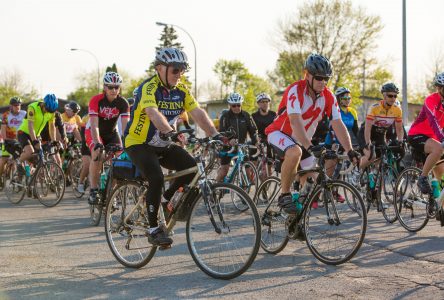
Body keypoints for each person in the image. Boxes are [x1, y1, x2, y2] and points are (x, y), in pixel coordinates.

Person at [124, 47, 219, 247]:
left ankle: (165, 201)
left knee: (190, 168)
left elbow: (198, 113)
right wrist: (171, 132)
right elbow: (153, 113)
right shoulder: (148, 88)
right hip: (138, 143)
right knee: (156, 177)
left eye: (182, 70)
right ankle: (153, 229)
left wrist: (216, 134)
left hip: (163, 143)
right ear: (160, 68)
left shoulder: (181, 91)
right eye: (175, 70)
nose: (179, 75)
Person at [264, 53, 359, 214]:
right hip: (279, 133)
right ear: (307, 75)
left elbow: (337, 123)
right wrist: (310, 146)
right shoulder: (295, 90)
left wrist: (349, 149)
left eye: (326, 79)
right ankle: (284, 195)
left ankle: (297, 219)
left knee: (312, 183)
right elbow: (295, 121)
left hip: (302, 141)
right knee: (295, 152)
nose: (323, 82)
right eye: (319, 78)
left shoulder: (328, 97)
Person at [86, 71, 130, 205]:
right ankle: (93, 189)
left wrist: (128, 143)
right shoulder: (96, 100)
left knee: (119, 158)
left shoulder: (123, 103)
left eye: (116, 87)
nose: (113, 90)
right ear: (105, 87)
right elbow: (94, 125)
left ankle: (112, 191)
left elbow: (125, 127)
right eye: (110, 87)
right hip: (94, 131)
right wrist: (97, 142)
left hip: (111, 133)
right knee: (97, 153)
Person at [408, 72, 444, 194]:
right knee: (439, 149)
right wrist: (442, 138)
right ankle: (422, 178)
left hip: (434, 139)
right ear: (439, 88)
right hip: (417, 135)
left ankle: (437, 209)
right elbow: (433, 120)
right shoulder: (431, 99)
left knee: (441, 175)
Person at [358, 82, 404, 171]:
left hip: (381, 134)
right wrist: (368, 143)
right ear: (384, 96)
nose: (393, 98)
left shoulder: (397, 110)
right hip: (367, 132)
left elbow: (399, 128)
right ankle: (357, 173)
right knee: (371, 156)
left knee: (381, 159)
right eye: (390, 96)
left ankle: (377, 181)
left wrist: (400, 141)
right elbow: (367, 128)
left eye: (395, 96)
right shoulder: (374, 107)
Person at [216, 92, 258, 182]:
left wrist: (256, 141)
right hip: (227, 147)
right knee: (223, 171)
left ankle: (245, 192)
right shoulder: (225, 116)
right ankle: (214, 189)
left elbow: (253, 131)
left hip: (242, 146)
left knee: (248, 172)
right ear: (230, 105)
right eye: (233, 106)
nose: (236, 108)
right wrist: (229, 140)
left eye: (238, 105)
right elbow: (222, 131)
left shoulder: (246, 115)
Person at [17, 94, 59, 167]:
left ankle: (31, 175)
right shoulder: (32, 107)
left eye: (50, 111)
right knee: (30, 152)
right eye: (47, 109)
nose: (47, 112)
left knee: (39, 158)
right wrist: (34, 140)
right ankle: (18, 162)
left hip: (37, 135)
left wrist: (54, 140)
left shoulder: (51, 112)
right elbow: (30, 125)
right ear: (43, 104)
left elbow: (52, 127)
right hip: (24, 132)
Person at [0, 97, 27, 180]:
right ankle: (0, 177)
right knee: (3, 160)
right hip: (8, 139)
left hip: (20, 140)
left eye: (19, 105)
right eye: (15, 105)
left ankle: (19, 179)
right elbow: (3, 130)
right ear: (11, 106)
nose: (17, 107)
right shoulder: (6, 115)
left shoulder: (24, 114)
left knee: (20, 159)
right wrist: (5, 141)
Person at [252, 92, 276, 177]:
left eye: (266, 101)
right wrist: (256, 140)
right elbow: (251, 130)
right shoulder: (254, 116)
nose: (265, 104)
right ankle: (253, 177)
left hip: (270, 140)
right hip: (258, 140)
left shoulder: (274, 114)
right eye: (262, 102)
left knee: (269, 165)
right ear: (258, 104)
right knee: (253, 160)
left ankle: (267, 181)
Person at [76, 113, 90, 193]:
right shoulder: (86, 117)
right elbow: (83, 133)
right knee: (87, 165)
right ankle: (80, 183)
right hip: (87, 141)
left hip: (98, 141)